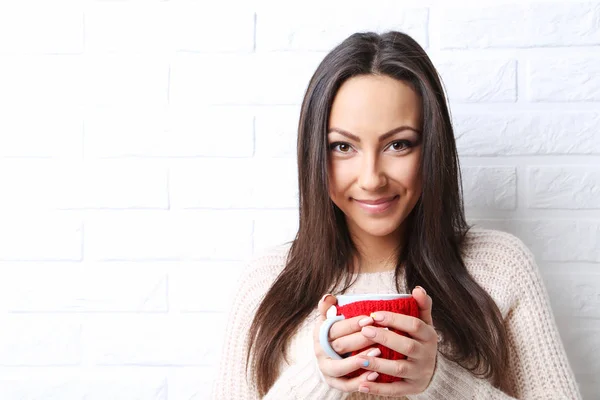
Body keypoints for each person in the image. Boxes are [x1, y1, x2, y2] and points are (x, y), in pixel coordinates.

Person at [210, 31, 582, 399]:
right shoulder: (266, 282)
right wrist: (319, 377)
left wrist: (440, 381)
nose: (372, 179)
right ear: (314, 155)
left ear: (431, 148)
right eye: (342, 146)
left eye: (398, 144)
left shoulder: (500, 268)